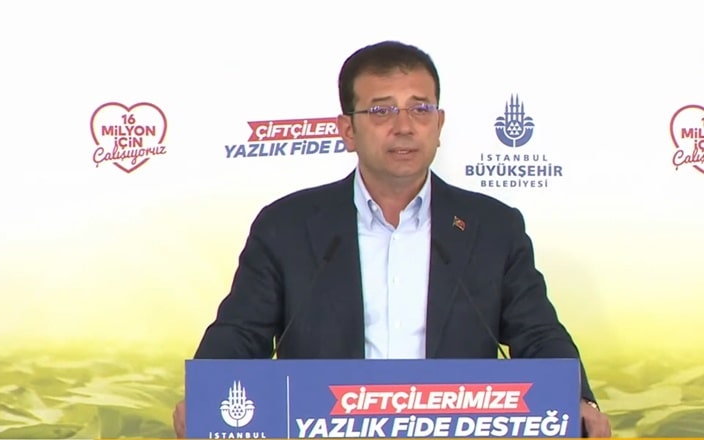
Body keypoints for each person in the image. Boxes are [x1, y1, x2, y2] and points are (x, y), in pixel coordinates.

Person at [173, 40, 611, 438]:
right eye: (381, 111)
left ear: (439, 124)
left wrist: (579, 400)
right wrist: (207, 394)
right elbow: (240, 333)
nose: (404, 126)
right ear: (347, 130)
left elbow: (538, 334)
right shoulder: (287, 227)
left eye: (420, 109)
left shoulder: (492, 227)